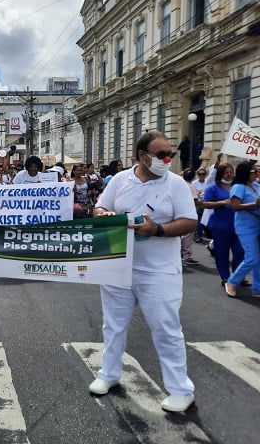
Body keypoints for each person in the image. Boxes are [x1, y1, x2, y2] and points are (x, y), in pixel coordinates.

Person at [89, 130, 197, 413]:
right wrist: (105, 216)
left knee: (166, 328)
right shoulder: (121, 180)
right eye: (161, 155)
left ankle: (181, 390)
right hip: (118, 267)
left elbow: (189, 222)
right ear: (142, 156)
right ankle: (108, 375)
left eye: (169, 154)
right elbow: (99, 208)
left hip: (159, 272)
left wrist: (157, 229)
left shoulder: (175, 185)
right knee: (113, 325)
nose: (167, 159)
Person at [202, 164, 244, 287]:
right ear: (221, 174)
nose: (229, 175)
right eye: (226, 172)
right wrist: (222, 202)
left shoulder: (239, 187)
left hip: (239, 226)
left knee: (240, 252)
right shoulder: (213, 188)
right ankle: (225, 277)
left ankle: (237, 277)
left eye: (231, 172)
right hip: (220, 226)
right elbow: (206, 204)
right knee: (222, 253)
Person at [224, 162, 260, 298]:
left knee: (259, 259)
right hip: (245, 227)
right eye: (254, 172)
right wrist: (254, 204)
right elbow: (235, 206)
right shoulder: (238, 187)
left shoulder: (256, 186)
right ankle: (232, 282)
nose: (256, 174)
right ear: (246, 173)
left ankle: (258, 288)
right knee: (251, 258)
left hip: (258, 225)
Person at [180, 168, 199, 265]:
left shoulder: (180, 184)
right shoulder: (191, 186)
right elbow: (195, 200)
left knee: (181, 234)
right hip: (189, 212)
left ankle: (180, 253)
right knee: (188, 235)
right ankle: (187, 255)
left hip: (179, 212)